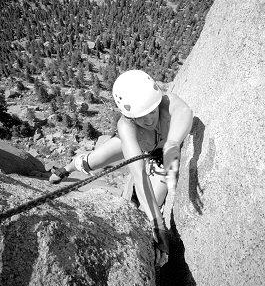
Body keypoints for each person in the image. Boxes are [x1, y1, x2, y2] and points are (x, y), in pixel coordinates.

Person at [50, 70, 193, 265]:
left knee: (155, 201)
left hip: (159, 155)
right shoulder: (126, 126)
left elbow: (185, 112)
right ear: (130, 116)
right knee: (95, 159)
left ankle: (136, 202)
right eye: (140, 117)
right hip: (137, 145)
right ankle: (67, 169)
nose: (149, 120)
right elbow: (138, 172)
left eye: (152, 111)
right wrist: (159, 225)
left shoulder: (167, 102)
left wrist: (173, 143)